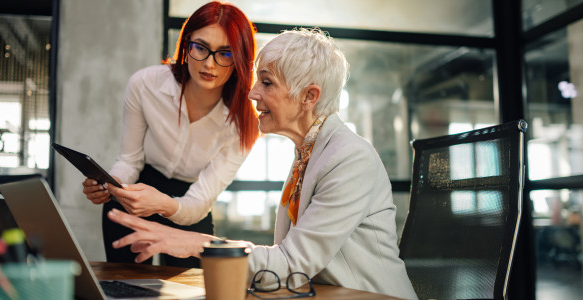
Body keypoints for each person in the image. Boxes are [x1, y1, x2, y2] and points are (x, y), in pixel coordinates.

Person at [105, 28, 417, 299]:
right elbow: (289, 266)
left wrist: (194, 243)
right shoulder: (307, 153)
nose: (252, 93)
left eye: (266, 83)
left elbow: (291, 265)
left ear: (309, 96)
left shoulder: (349, 158)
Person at [81, 1, 259, 268]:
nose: (210, 64)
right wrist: (111, 185)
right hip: (138, 189)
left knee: (188, 292)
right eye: (200, 48)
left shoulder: (245, 124)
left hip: (191, 202)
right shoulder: (145, 84)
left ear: (240, 60)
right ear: (186, 44)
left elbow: (199, 201)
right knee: (126, 287)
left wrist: (163, 204)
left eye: (225, 54)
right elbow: (129, 160)